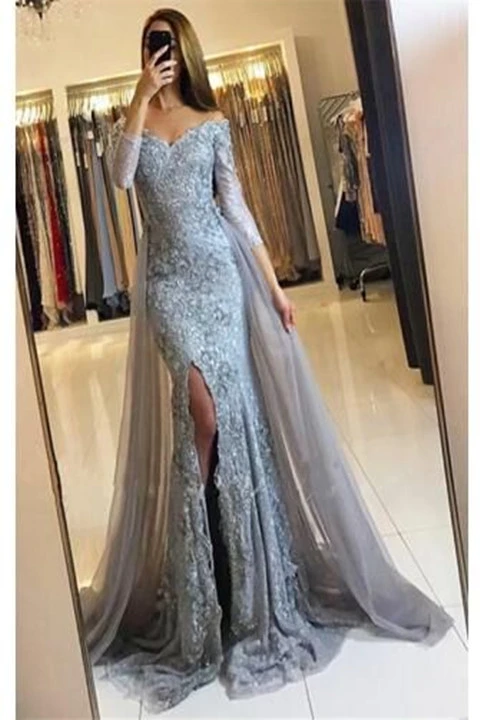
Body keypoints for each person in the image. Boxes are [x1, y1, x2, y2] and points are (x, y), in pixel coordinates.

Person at [80, 7, 454, 715]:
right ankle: (200, 580)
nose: (158, 55)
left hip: (220, 281)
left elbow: (237, 209)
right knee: (201, 413)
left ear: (185, 51)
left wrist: (276, 289)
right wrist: (138, 95)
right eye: (149, 46)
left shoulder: (214, 122)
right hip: (170, 290)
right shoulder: (133, 122)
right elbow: (122, 180)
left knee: (229, 421)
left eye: (166, 45)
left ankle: (243, 577)